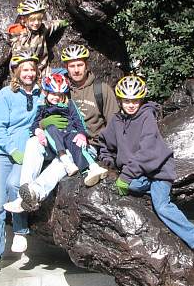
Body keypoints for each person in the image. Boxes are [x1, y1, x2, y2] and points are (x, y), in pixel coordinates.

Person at [98, 75, 194, 264]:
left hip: (158, 171)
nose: (131, 105)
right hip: (139, 174)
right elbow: (105, 143)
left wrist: (126, 175)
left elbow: (147, 152)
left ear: (141, 100)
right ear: (120, 100)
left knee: (161, 205)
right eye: (127, 100)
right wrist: (107, 159)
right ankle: (143, 189)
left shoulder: (147, 117)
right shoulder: (116, 121)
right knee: (131, 186)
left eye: (135, 100)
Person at [8, 44, 119, 211]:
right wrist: (42, 125)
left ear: (86, 65)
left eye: (79, 65)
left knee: (63, 160)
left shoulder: (101, 89)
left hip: (85, 144)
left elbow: (114, 124)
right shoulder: (60, 86)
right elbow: (43, 111)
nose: (76, 70)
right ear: (66, 66)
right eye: (71, 65)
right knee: (32, 143)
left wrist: (108, 153)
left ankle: (35, 193)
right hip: (57, 139)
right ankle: (22, 192)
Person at [0, 51, 42, 273]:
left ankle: (20, 230)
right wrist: (11, 149)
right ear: (17, 71)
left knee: (14, 185)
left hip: (26, 153)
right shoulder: (6, 94)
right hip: (4, 154)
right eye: (25, 70)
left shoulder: (41, 94)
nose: (29, 73)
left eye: (32, 70)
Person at [7, 0, 68, 74]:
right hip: (26, 75)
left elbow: (54, 24)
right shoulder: (19, 39)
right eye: (32, 20)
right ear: (23, 19)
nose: (36, 23)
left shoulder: (43, 28)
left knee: (65, 72)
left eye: (39, 19)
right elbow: (15, 64)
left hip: (44, 72)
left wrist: (66, 22)